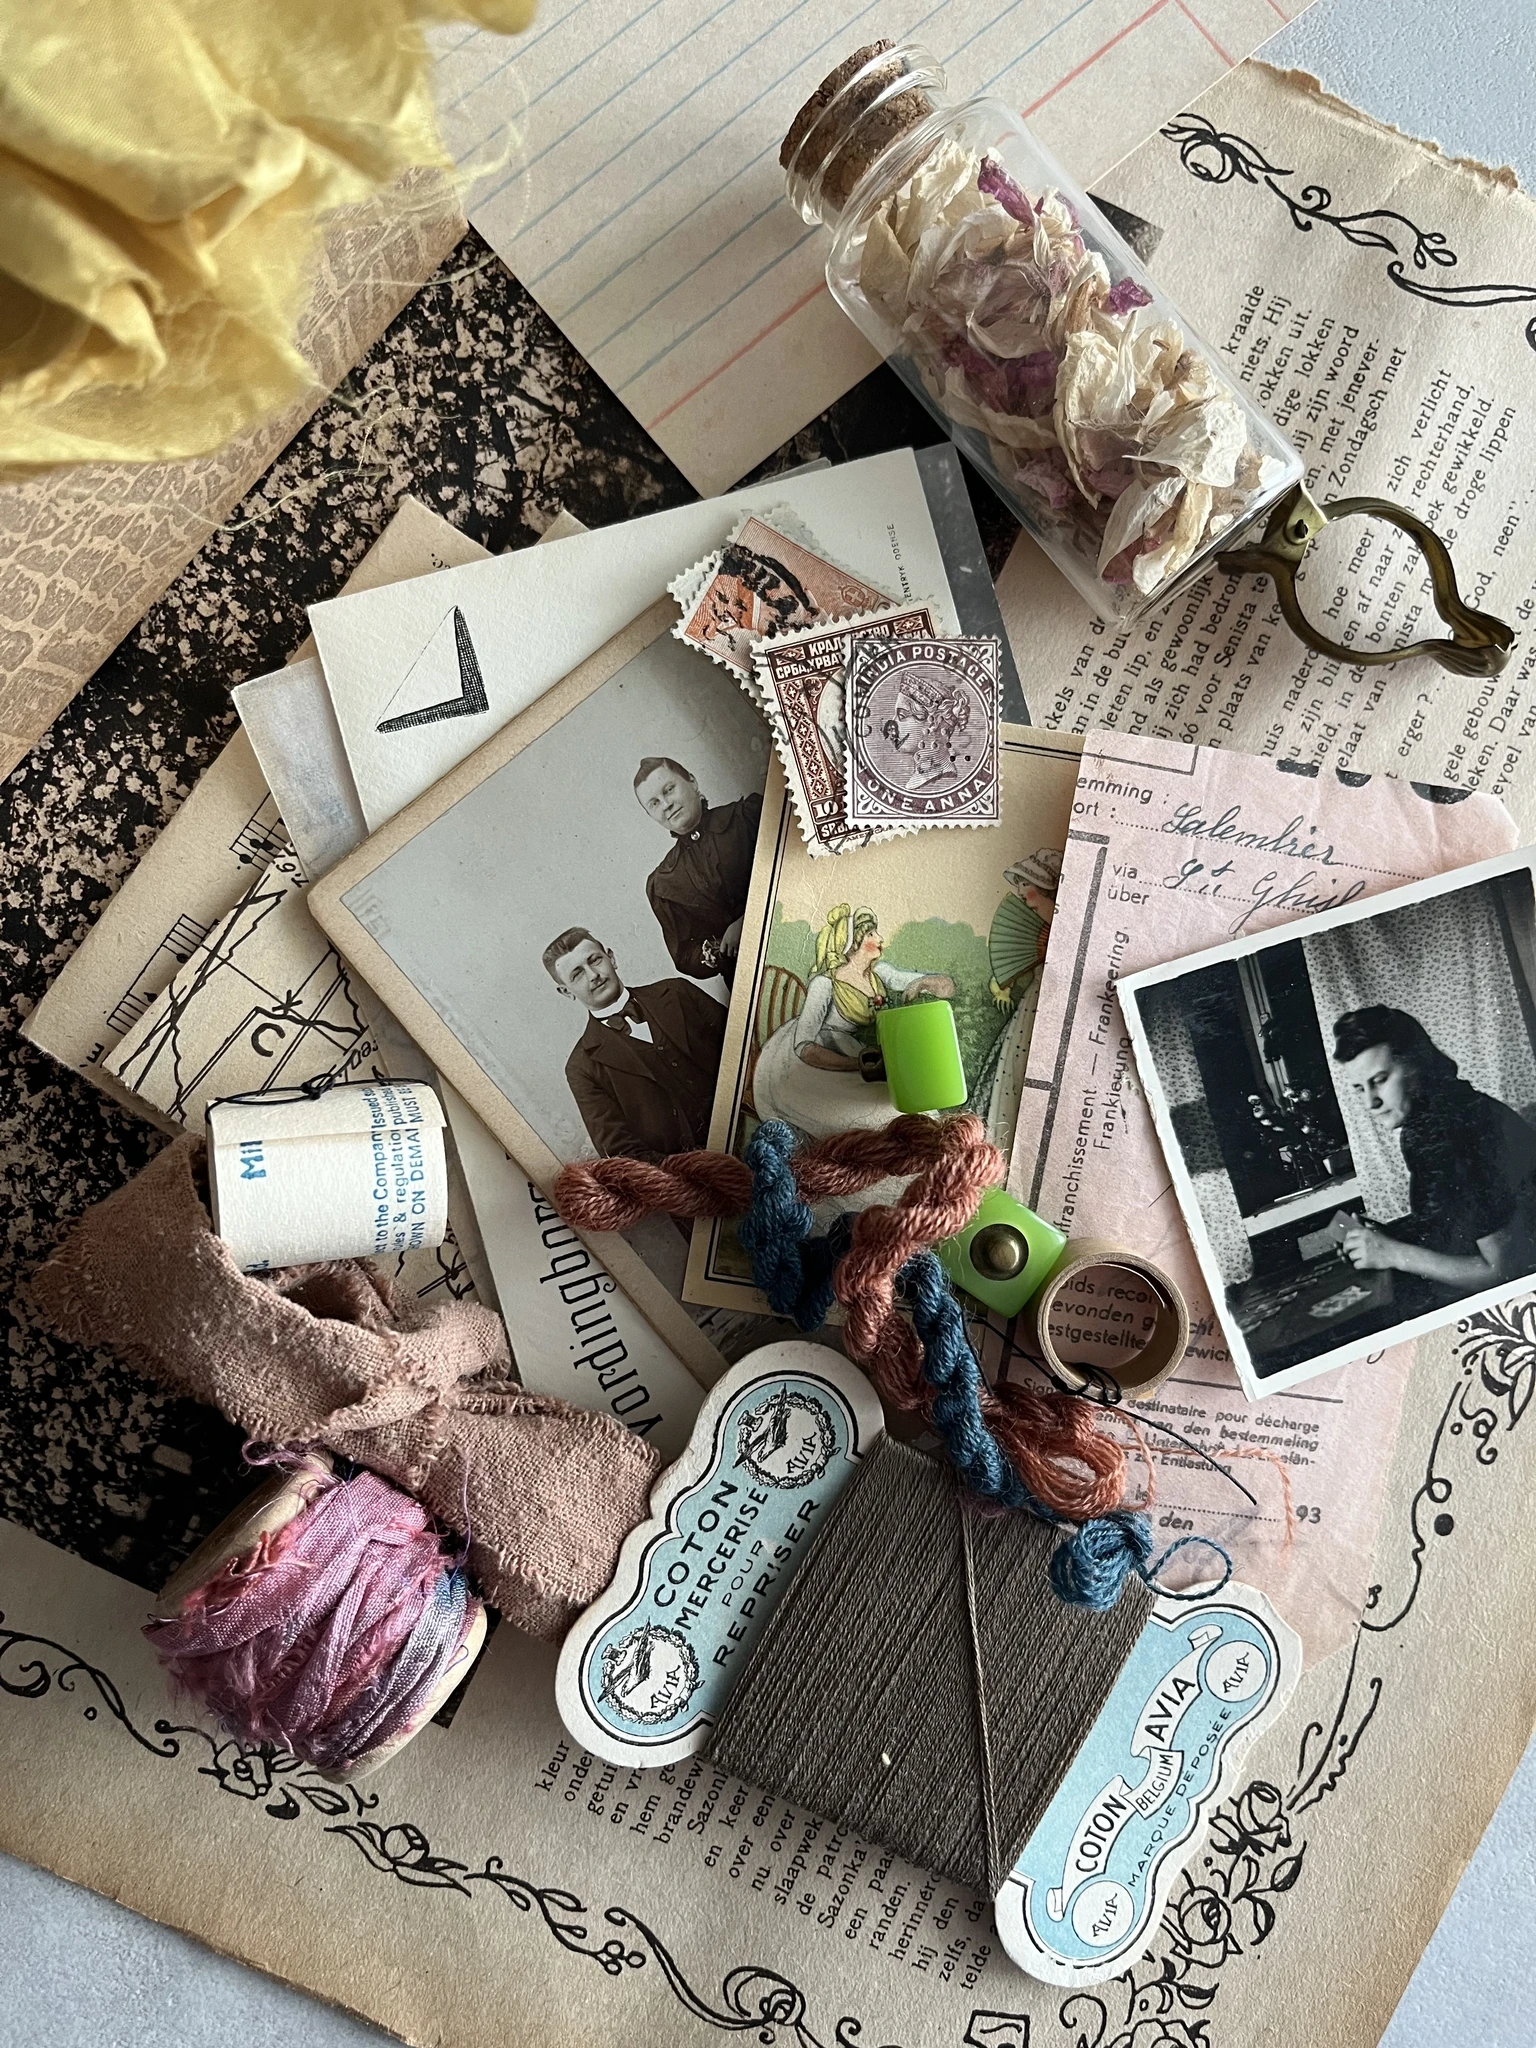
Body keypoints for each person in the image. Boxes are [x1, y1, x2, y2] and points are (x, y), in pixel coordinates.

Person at [1332, 1005, 1536, 1296]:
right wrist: (1387, 1239)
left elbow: (1502, 1271)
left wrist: (1390, 1252)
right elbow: (1457, 1221)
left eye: (1379, 1081)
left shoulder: (1452, 1132)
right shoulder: (1439, 1114)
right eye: (1358, 1088)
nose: (1370, 1103)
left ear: (1417, 1063)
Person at [750, 903, 953, 1144]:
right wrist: (856, 1065)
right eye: (871, 934)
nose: (880, 939)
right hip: (813, 1062)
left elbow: (947, 987)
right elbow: (803, 1048)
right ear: (853, 943)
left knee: (909, 1106)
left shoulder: (880, 973)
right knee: (872, 1112)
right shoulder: (825, 984)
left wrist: (922, 983)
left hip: (853, 1052)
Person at [544, 927, 726, 1163]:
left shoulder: (677, 992)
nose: (593, 975)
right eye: (577, 974)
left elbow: (744, 1045)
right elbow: (622, 1152)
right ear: (565, 992)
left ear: (611, 958)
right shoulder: (582, 1067)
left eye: (595, 960)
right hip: (692, 1171)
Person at [635, 756, 762, 987]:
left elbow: (792, 870)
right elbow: (684, 955)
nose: (666, 805)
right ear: (650, 815)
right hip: (747, 982)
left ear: (692, 782)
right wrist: (721, 949)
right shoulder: (662, 883)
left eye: (669, 790)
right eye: (654, 803)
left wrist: (748, 921)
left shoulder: (747, 817)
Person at [965, 847, 1061, 1152]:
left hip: (1054, 1008)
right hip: (1031, 1006)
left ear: (1045, 888)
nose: (1020, 893)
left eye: (1025, 885)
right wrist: (1002, 988)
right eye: (1019, 885)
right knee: (1014, 1070)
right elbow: (1012, 968)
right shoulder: (1034, 926)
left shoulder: (1062, 927)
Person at [880, 672, 980, 792]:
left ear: (934, 722)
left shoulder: (944, 778)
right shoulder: (916, 779)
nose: (891, 726)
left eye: (902, 715)